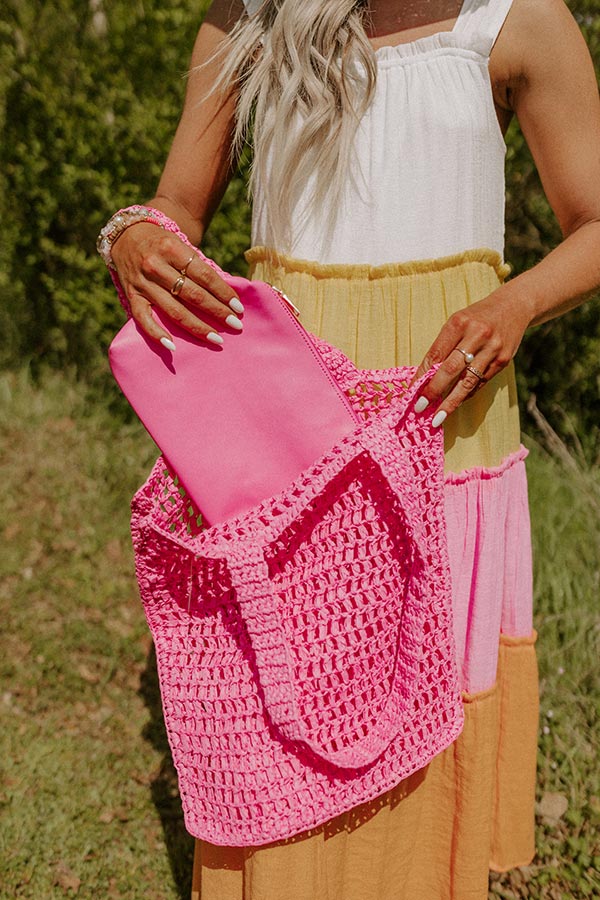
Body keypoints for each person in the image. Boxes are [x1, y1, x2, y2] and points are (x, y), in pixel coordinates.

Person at [104, 0, 600, 897]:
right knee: (291, 688)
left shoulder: (514, 17)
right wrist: (138, 233)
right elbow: (179, 202)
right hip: (288, 419)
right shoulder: (246, 14)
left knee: (418, 690)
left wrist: (515, 304)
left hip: (441, 407)